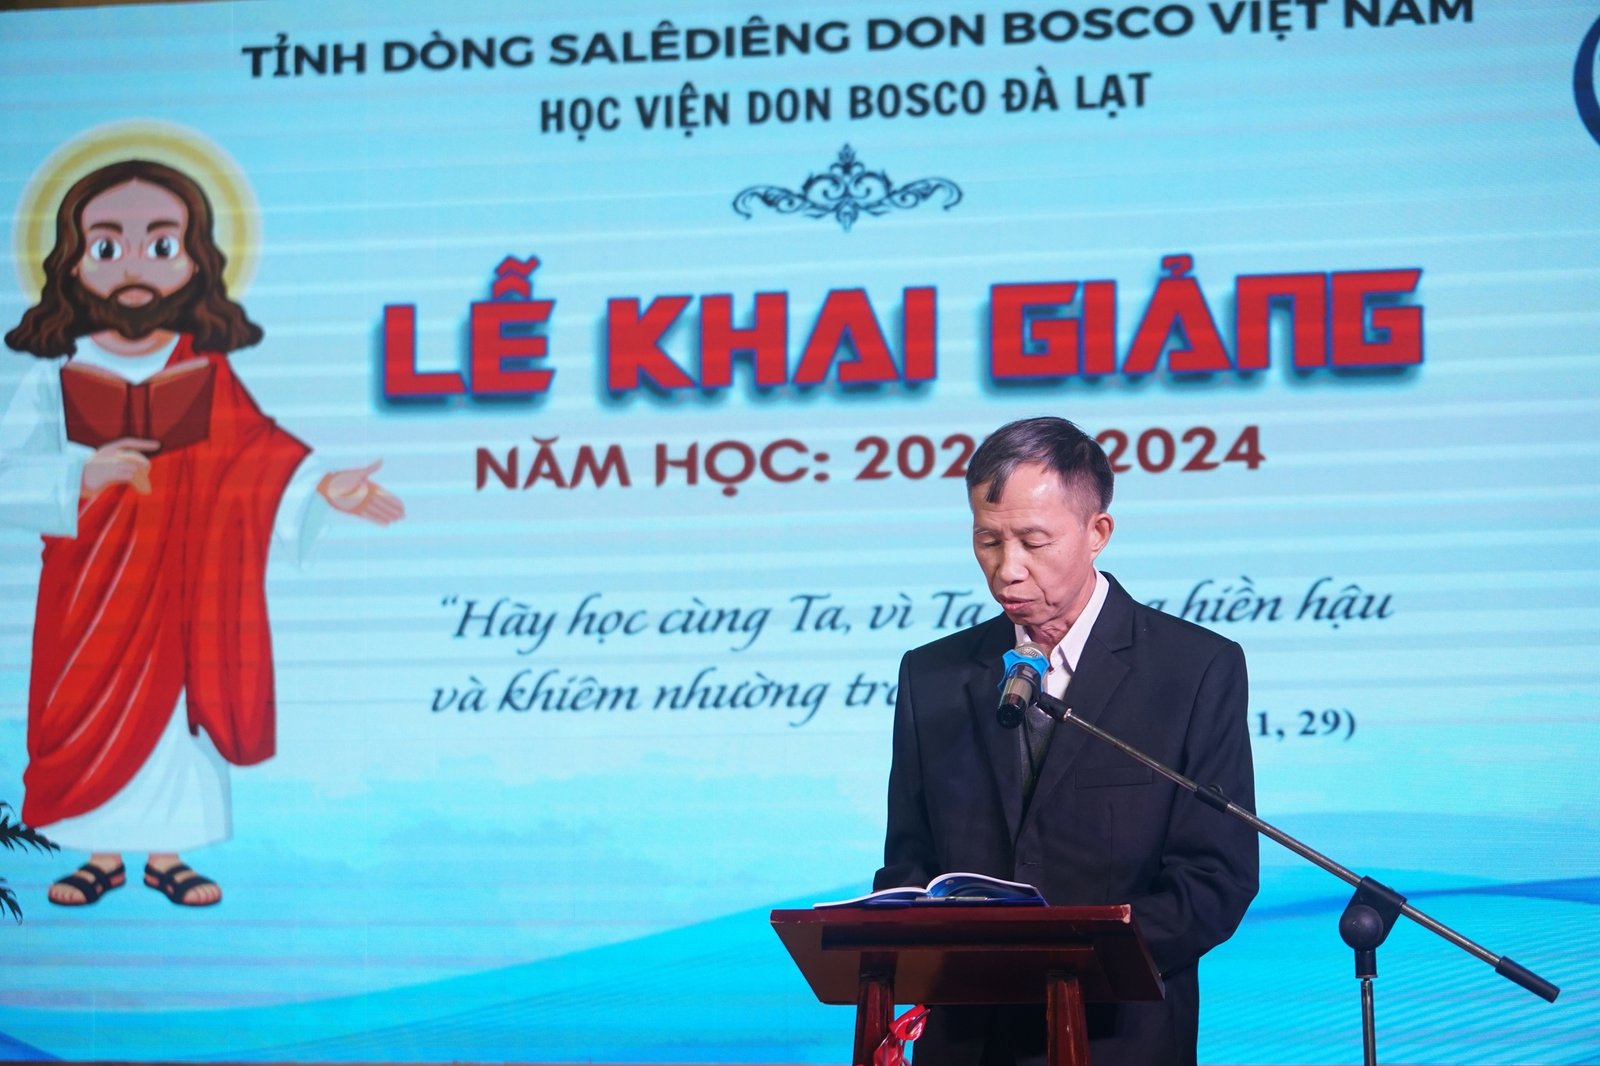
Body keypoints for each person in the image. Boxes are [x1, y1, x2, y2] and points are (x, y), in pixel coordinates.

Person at [2, 158, 402, 907]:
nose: (134, 266)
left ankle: (168, 856)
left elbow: (258, 453)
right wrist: (80, 476)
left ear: (194, 261)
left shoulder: (206, 372)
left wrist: (320, 487)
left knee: (177, 723)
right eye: (106, 245)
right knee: (83, 712)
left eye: (161, 244)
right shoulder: (51, 378)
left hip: (184, 588)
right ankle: (97, 856)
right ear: (73, 261)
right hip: (87, 596)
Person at [874, 416, 1258, 1066]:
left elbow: (1215, 880)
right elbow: (909, 862)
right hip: (968, 1042)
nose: (1007, 570)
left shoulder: (1193, 670)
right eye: (988, 540)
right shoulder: (931, 677)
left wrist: (1070, 962)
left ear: (1097, 532)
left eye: (1033, 541)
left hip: (1118, 1037)